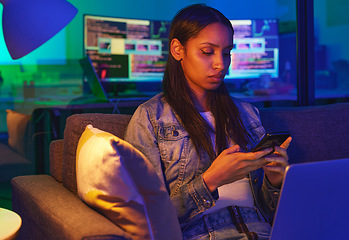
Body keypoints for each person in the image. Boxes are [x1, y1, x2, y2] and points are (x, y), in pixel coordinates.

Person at [124, 4, 292, 240]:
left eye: (226, 52)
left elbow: (269, 213)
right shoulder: (150, 119)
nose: (220, 64)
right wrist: (210, 181)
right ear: (177, 50)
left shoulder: (247, 114)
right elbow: (147, 219)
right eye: (207, 51)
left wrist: (276, 181)